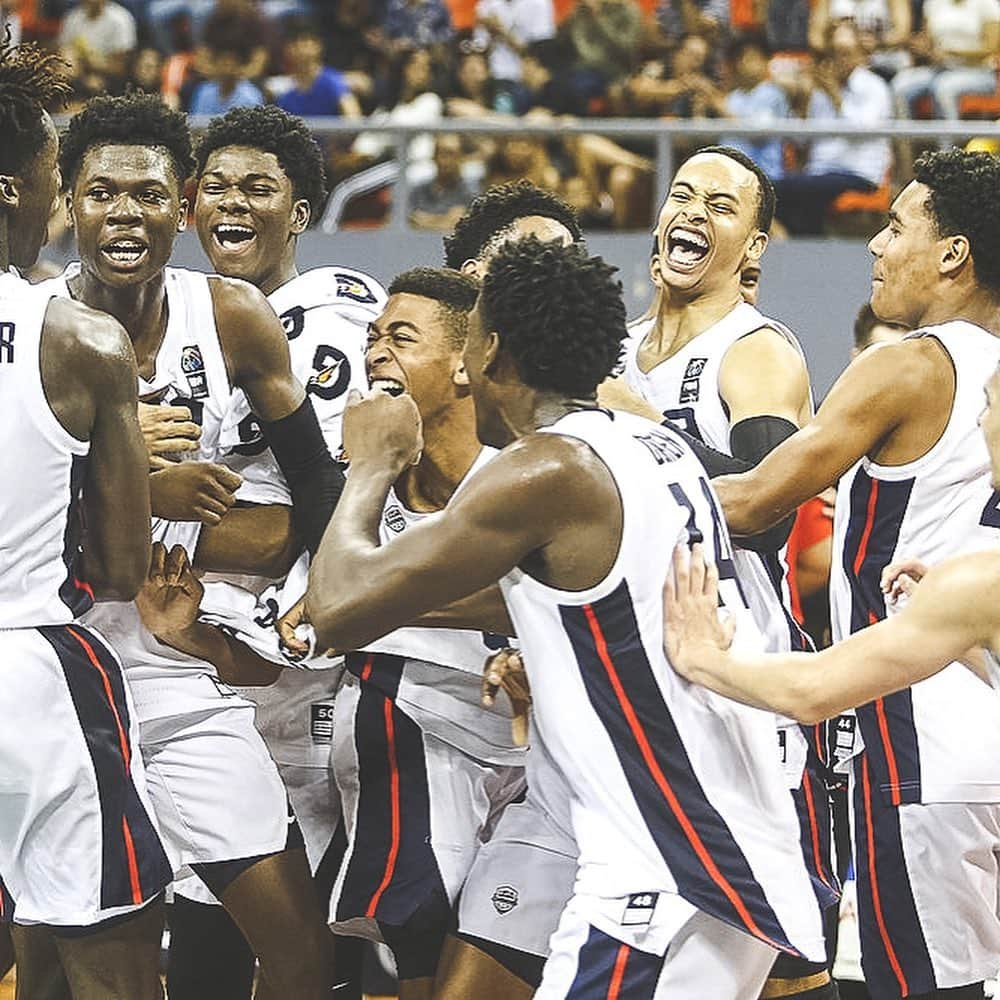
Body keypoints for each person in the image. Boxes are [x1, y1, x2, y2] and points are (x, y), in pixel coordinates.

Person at [305, 236, 826, 998]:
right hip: (693, 822)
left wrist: (371, 465)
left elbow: (338, 607)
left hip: (666, 856)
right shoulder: (652, 446)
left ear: (491, 351)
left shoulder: (548, 469)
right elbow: (568, 601)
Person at [46, 92, 346, 998]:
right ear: (68, 200)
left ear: (181, 206)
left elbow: (320, 487)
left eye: (146, 194)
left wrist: (312, 590)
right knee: (75, 949)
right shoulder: (35, 328)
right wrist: (138, 485)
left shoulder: (232, 317)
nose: (124, 214)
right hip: (53, 667)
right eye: (101, 193)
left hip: (177, 668)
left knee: (296, 944)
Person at [704, 148, 1000, 1000]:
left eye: (896, 225)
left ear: (953, 253)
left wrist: (633, 451)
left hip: (915, 736)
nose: (875, 245)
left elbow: (756, 500)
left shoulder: (909, 363)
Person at [129, 103, 386, 1000]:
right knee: (198, 940)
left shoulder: (332, 312)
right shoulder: (188, 315)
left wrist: (144, 505)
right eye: (220, 187)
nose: (233, 204)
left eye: (260, 188)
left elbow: (317, 507)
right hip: (197, 655)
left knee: (307, 950)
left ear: (302, 213)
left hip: (296, 671)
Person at [618, 144, 839, 1000]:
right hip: (633, 663)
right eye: (682, 195)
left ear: (753, 249)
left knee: (774, 943)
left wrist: (642, 429)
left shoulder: (755, 353)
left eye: (721, 205)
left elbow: (768, 512)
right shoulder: (622, 351)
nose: (693, 214)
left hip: (735, 680)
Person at [0, 40, 169, 999]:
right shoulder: (81, 338)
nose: (61, 207)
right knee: (107, 943)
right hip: (30, 671)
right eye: (46, 182)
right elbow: (118, 566)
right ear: (9, 191)